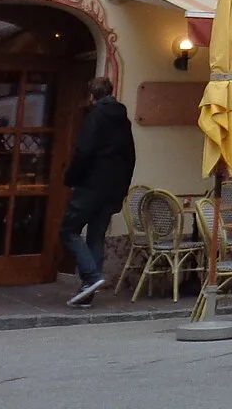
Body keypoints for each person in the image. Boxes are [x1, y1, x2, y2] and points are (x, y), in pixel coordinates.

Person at [60, 76, 135, 307]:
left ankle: (91, 278)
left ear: (92, 96)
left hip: (91, 185)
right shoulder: (123, 120)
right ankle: (87, 293)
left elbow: (84, 151)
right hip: (112, 188)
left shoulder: (95, 116)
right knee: (96, 236)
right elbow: (130, 157)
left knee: (69, 230)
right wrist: (121, 190)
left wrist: (71, 178)